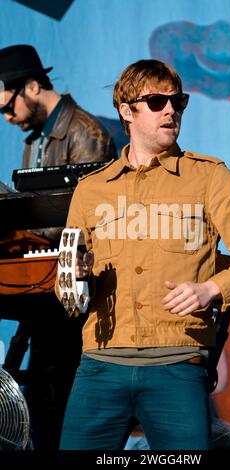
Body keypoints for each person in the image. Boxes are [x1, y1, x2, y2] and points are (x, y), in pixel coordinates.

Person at [57, 59, 230, 450]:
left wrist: (211, 289)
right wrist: (76, 278)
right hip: (101, 365)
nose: (170, 110)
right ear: (127, 111)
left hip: (178, 365)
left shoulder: (209, 177)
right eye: (157, 101)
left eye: (177, 101)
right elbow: (66, 293)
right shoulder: (91, 190)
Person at [0, 44, 116, 449]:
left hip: (77, 286)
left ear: (32, 86)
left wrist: (20, 222)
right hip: (44, 285)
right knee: (41, 391)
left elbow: (88, 220)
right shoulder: (34, 142)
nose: (6, 116)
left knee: (61, 388)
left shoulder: (86, 132)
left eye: (7, 106)